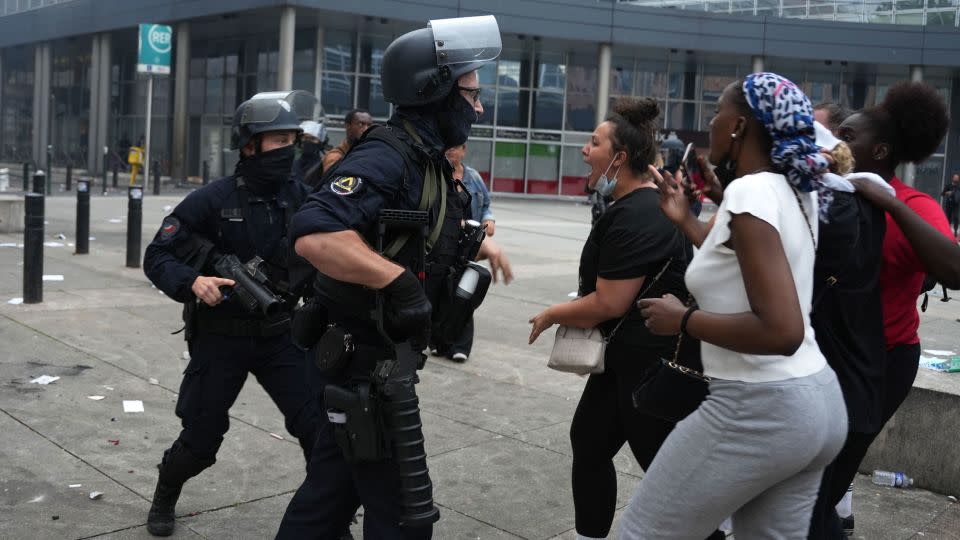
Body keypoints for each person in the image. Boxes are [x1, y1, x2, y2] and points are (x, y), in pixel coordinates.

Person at [276, 15, 508, 539]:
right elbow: (314, 234)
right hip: (361, 367)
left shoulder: (427, 161)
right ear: (436, 90)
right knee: (403, 519)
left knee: (330, 500)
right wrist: (399, 284)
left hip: (379, 366)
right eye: (470, 94)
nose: (479, 107)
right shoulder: (388, 154)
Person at [624, 73, 847, 539]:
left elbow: (781, 331)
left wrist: (683, 319)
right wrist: (687, 220)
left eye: (717, 112)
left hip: (759, 405)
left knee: (641, 533)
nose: (710, 123)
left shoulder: (751, 193)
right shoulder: (794, 189)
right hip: (817, 404)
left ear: (739, 127)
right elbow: (747, 268)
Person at [141, 91, 322, 537]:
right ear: (248, 146)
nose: (288, 151)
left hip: (281, 334)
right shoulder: (211, 199)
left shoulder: (304, 197)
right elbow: (157, 255)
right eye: (277, 141)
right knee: (200, 442)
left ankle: (327, 518)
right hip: (220, 337)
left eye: (292, 141)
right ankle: (166, 491)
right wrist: (192, 283)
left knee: (322, 434)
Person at [527, 98, 701, 540]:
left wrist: (552, 313)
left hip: (647, 363)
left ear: (620, 158)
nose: (585, 151)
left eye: (594, 142)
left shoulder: (640, 214)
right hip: (622, 358)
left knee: (661, 468)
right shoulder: (632, 207)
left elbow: (610, 302)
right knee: (589, 443)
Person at [826, 81, 960, 537]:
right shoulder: (825, 193)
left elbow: (955, 269)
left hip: (881, 364)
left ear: (879, 150)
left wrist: (888, 205)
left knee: (820, 488)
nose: (836, 143)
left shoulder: (912, 205)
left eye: (847, 135)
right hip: (823, 357)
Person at [431, 143, 502, 362]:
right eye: (448, 147)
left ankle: (460, 345)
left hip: (467, 246)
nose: (452, 151)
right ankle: (439, 342)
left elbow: (486, 204)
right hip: (442, 245)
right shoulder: (437, 174)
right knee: (442, 292)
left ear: (464, 150)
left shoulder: (472, 176)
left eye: (457, 148)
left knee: (465, 292)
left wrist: (488, 220)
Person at [321, 108, 373, 172]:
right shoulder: (335, 157)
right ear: (348, 126)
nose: (366, 129)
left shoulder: (370, 154)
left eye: (369, 125)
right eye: (360, 124)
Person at [294, 118, 328, 187]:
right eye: (305, 138)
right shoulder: (292, 163)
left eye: (313, 138)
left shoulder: (323, 166)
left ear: (320, 142)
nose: (308, 141)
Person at [940, 172, 960, 236]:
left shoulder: (959, 187)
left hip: (956, 205)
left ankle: (955, 231)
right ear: (953, 178)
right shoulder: (948, 185)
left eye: (957, 178)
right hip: (949, 204)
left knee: (956, 217)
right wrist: (947, 193)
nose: (956, 179)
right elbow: (942, 194)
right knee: (948, 218)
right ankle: (947, 231)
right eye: (955, 178)